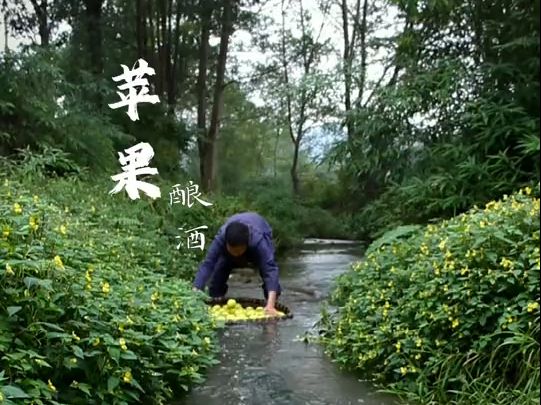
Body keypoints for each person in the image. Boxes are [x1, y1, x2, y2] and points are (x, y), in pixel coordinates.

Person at [192, 212, 282, 315]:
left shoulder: (258, 242)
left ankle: (271, 305)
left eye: (239, 251)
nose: (236, 254)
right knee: (218, 274)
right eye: (233, 251)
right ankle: (216, 302)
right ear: (226, 243)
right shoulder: (221, 239)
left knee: (267, 275)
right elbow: (208, 264)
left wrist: (270, 304)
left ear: (246, 245)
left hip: (260, 228)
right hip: (231, 240)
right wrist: (196, 290)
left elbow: (270, 270)